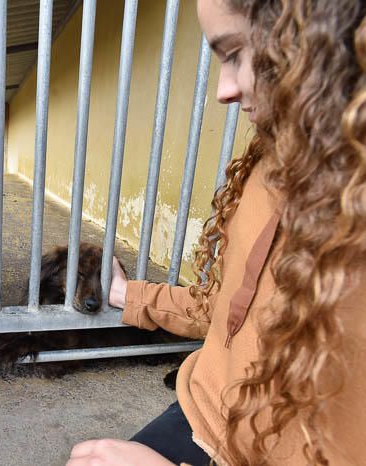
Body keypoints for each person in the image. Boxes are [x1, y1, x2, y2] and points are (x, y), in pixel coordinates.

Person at [68, 0, 366, 465]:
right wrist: (128, 295)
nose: (224, 89)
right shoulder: (270, 162)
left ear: (322, 40)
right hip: (201, 409)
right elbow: (227, 311)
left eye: (237, 53)